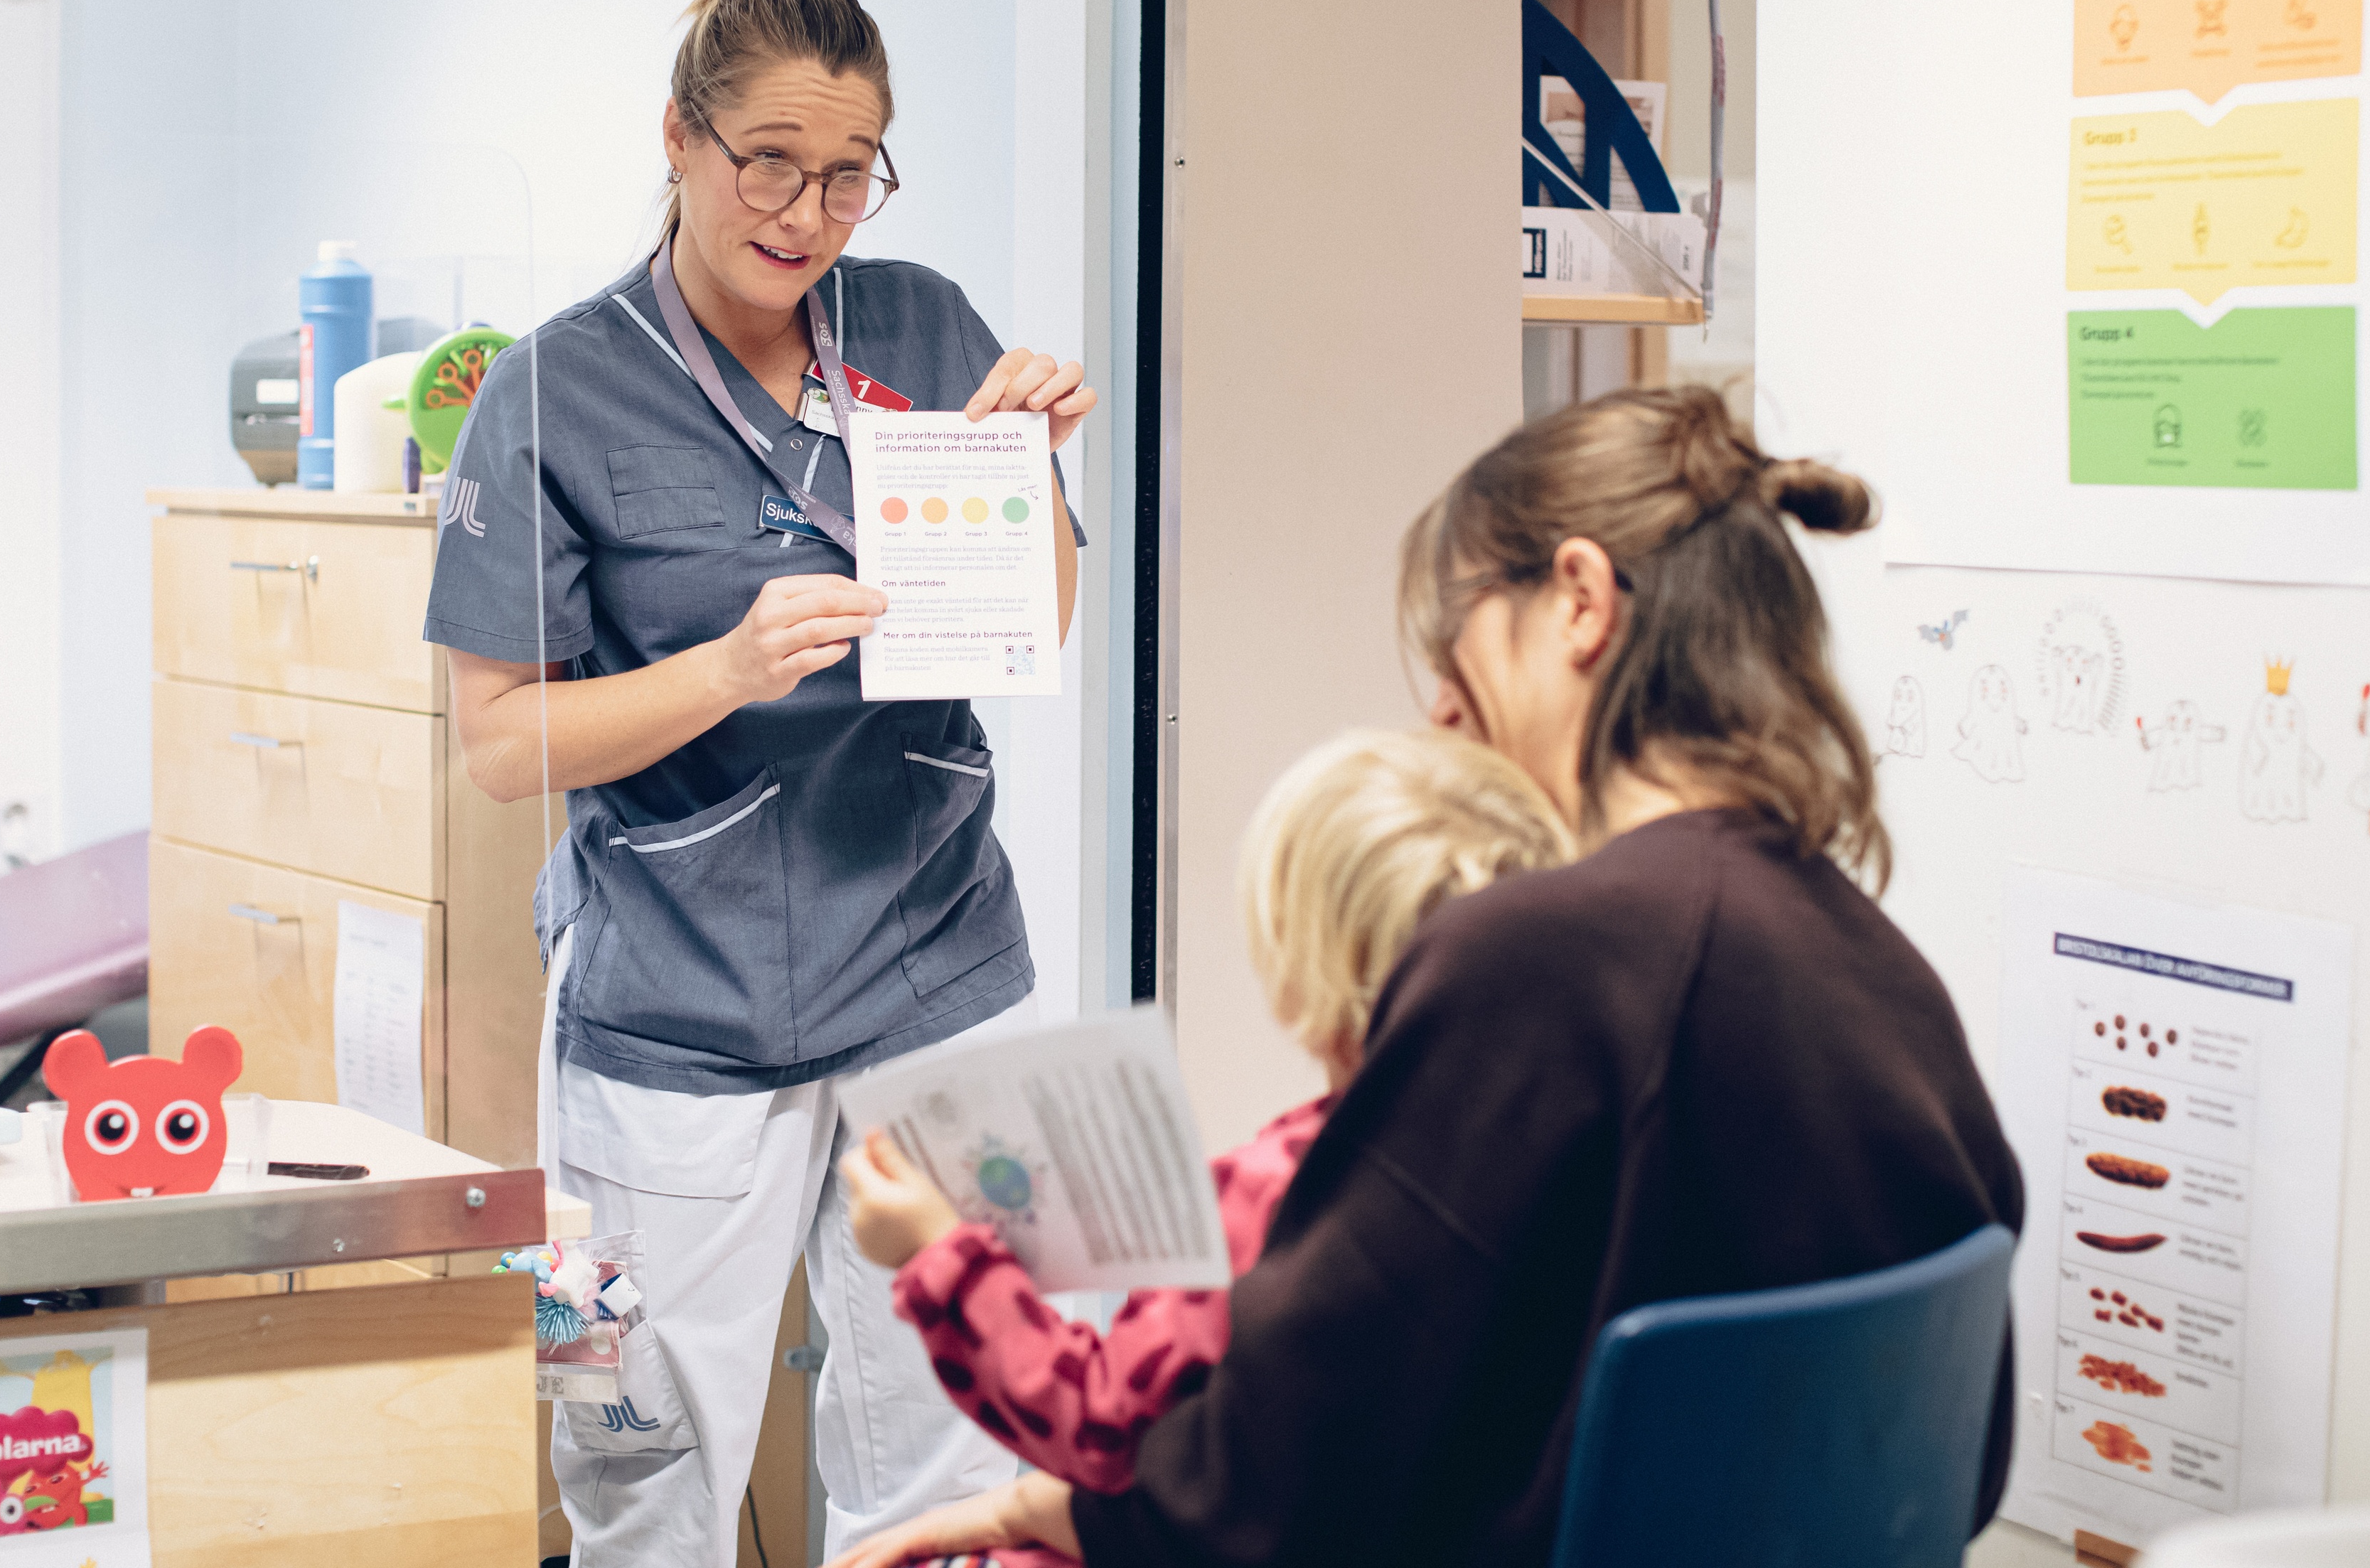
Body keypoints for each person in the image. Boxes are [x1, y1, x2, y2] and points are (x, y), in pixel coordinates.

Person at [840, 385, 2027, 1567]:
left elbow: (1273, 1475)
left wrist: (1042, 1514)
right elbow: (1950, 1458)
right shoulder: (1883, 972)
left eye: (1457, 646)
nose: (1449, 712)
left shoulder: (1541, 955)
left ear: (1579, 601)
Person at [422, 0, 1095, 1566]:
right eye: (771, 163)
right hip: (666, 1005)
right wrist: (722, 671)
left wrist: (1025, 472)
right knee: (632, 1455)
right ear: (679, 135)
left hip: (932, 961)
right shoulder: (549, 392)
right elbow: (500, 743)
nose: (808, 214)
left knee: (955, 1455)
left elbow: (1042, 622)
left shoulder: (922, 318)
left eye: (850, 172)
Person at [827, 730, 1572, 1565]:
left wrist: (940, 1254)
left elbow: (1101, 1426)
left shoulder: (1281, 1195)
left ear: (1301, 983)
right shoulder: (1567, 1172)